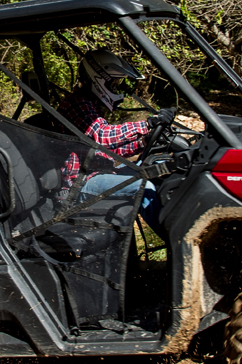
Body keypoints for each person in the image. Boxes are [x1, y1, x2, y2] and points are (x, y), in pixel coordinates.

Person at [57, 49, 173, 239]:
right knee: (144, 186)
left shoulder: (91, 104)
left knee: (159, 167)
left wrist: (145, 141)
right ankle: (176, 243)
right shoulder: (76, 103)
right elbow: (102, 136)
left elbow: (110, 149)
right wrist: (146, 124)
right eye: (114, 82)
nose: (116, 88)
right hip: (81, 183)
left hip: (102, 172)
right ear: (100, 79)